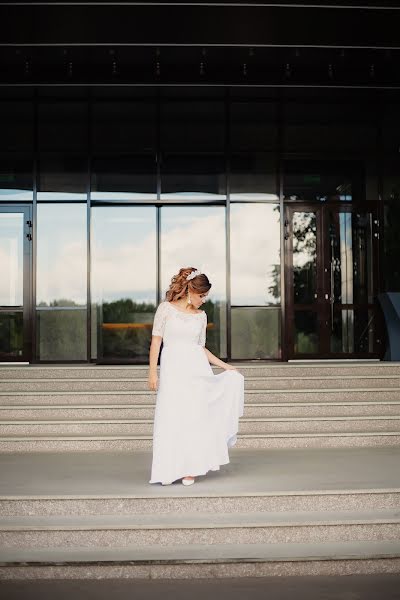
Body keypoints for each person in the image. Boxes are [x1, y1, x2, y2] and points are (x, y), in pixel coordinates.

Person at [148, 267, 244, 486]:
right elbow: (156, 342)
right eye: (202, 295)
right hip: (173, 371)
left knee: (194, 416)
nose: (204, 300)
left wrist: (225, 366)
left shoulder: (201, 316)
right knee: (171, 416)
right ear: (190, 290)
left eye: (206, 296)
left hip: (196, 371)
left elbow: (201, 348)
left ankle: (191, 468)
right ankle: (168, 469)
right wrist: (153, 371)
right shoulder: (165, 310)